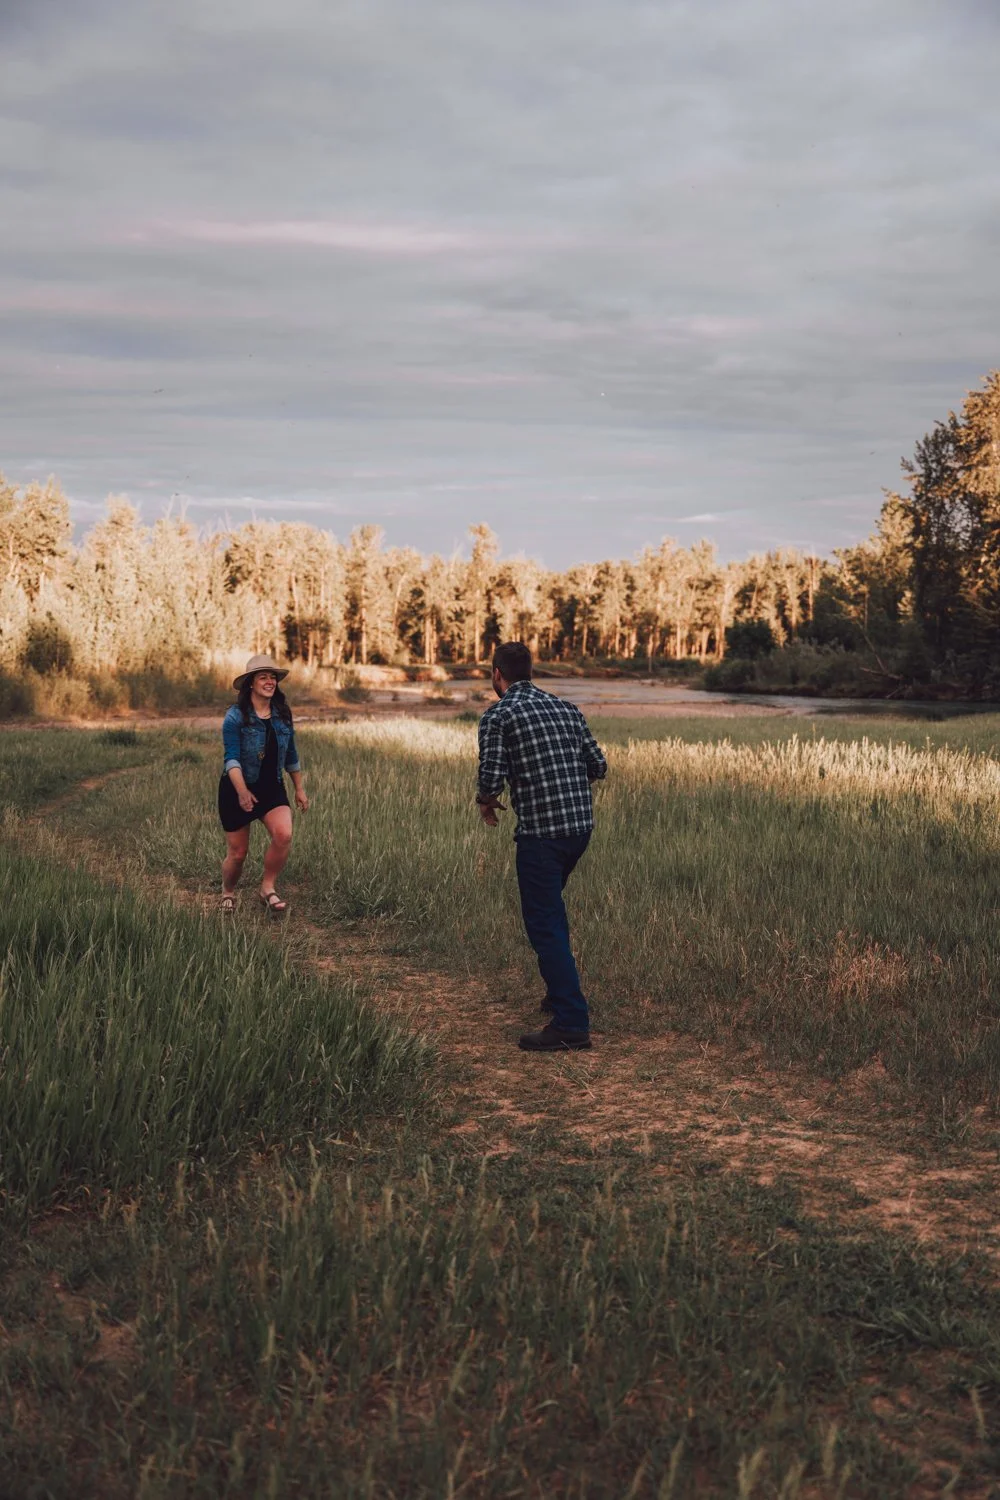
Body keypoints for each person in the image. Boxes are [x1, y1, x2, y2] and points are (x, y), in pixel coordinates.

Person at [476, 641, 607, 1051]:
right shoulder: (568, 709)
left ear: (497, 674)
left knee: (544, 922)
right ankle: (558, 993)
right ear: (530, 671)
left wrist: (486, 801)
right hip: (579, 830)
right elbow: (598, 765)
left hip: (541, 836)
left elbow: (491, 775)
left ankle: (571, 1022)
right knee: (551, 911)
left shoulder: (499, 715)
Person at [219, 653, 308, 915]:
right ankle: (227, 892)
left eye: (273, 677)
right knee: (238, 854)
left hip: (271, 787)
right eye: (263, 677)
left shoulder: (282, 714)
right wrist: (242, 792)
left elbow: (291, 754)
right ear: (250, 683)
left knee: (284, 835)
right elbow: (231, 758)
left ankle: (267, 887)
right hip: (237, 788)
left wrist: (299, 789)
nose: (270, 682)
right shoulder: (235, 716)